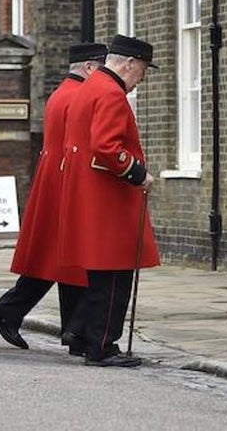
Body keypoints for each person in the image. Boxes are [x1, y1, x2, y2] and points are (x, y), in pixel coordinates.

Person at [0, 41, 108, 353]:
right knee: (70, 260)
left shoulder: (61, 93)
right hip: (67, 182)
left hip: (54, 179)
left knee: (60, 262)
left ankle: (52, 324)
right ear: (90, 67)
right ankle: (59, 326)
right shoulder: (80, 95)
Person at [56, 34, 159, 367]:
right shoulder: (112, 94)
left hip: (90, 193)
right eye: (142, 69)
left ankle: (87, 337)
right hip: (108, 198)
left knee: (100, 275)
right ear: (128, 63)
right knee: (114, 276)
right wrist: (138, 173)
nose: (141, 77)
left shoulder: (91, 86)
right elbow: (107, 147)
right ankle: (102, 344)